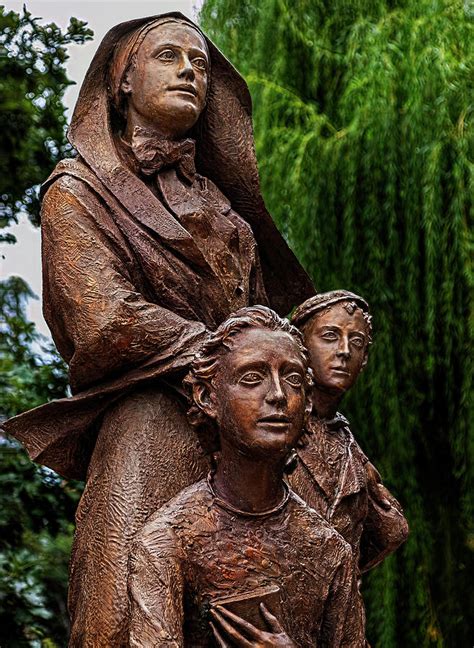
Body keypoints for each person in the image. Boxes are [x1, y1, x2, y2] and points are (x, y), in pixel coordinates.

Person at [3, 14, 313, 646]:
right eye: (168, 57)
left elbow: (260, 314)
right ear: (122, 81)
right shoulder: (77, 191)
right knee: (123, 601)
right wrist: (227, 357)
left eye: (199, 64)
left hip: (244, 435)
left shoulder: (225, 208)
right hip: (151, 418)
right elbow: (102, 319)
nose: (189, 72)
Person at [128, 306, 365, 647]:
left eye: (293, 379)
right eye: (252, 378)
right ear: (208, 397)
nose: (278, 395)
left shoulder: (328, 549)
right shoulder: (167, 543)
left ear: (308, 403)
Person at [289, 290, 409, 574]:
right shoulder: (270, 429)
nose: (344, 351)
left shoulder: (349, 446)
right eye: (330, 336)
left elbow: (390, 533)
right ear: (299, 346)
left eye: (356, 342)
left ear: (365, 359)